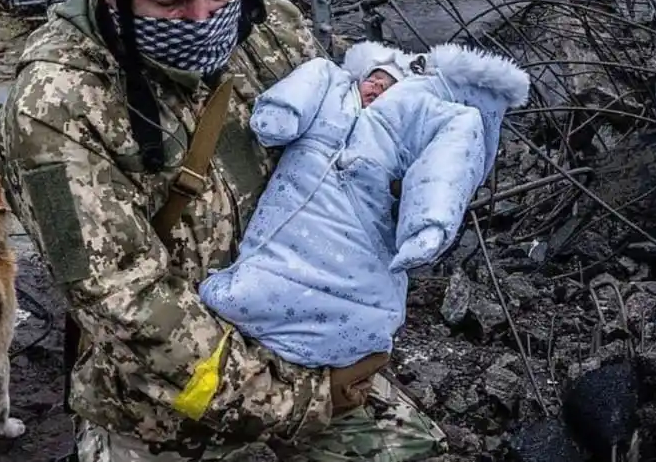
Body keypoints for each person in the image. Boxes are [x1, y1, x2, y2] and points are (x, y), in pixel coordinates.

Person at [0, 0, 447, 462]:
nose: (202, 17)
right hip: (163, 410)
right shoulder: (58, 107)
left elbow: (350, 163)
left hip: (303, 341)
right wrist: (309, 398)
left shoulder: (272, 35)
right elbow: (130, 310)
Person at [199, 41, 531, 370]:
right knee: (267, 270)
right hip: (296, 206)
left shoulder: (409, 117)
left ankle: (346, 339)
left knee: (363, 292)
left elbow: (446, 162)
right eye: (373, 77)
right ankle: (252, 306)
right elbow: (308, 81)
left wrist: (429, 223)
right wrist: (283, 112)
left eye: (388, 84)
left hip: (360, 216)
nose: (377, 85)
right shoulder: (331, 86)